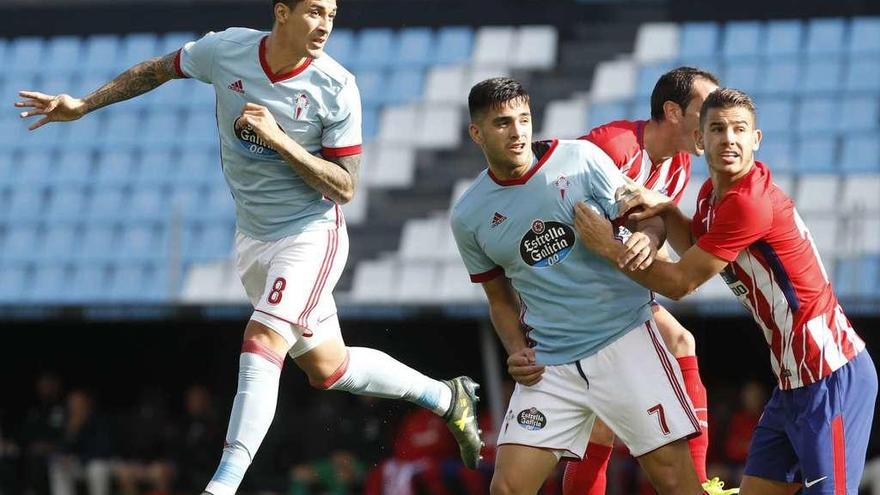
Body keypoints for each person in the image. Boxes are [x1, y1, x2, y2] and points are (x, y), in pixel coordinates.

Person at [15, 1, 482, 494]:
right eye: (314, 12)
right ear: (282, 12)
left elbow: (345, 187)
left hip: (310, 235)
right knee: (329, 368)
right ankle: (447, 397)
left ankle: (223, 485)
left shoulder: (336, 86)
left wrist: (281, 141)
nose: (325, 24)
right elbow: (157, 69)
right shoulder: (227, 49)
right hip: (253, 239)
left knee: (263, 339)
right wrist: (83, 104)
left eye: (332, 13)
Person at [573, 87, 877, 495]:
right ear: (700, 140)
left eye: (739, 129)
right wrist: (663, 207)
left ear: (756, 139)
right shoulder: (711, 197)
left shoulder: (748, 203)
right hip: (792, 385)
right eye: (717, 129)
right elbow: (691, 247)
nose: (728, 139)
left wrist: (606, 246)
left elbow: (681, 282)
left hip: (831, 377)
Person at [451, 76, 707, 495]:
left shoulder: (580, 159)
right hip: (551, 364)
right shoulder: (468, 216)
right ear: (476, 133)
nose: (517, 132)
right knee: (507, 488)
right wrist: (516, 349)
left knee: (677, 482)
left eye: (523, 119)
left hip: (624, 342)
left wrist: (647, 238)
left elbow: (647, 216)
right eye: (502, 124)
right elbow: (498, 298)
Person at [565, 66, 732, 495]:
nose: (714, 120)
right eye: (705, 109)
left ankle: (700, 482)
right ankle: (697, 483)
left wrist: (646, 234)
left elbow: (655, 224)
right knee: (596, 425)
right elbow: (563, 216)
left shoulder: (676, 163)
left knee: (675, 350)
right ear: (673, 112)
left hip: (613, 289)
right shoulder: (609, 147)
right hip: (569, 295)